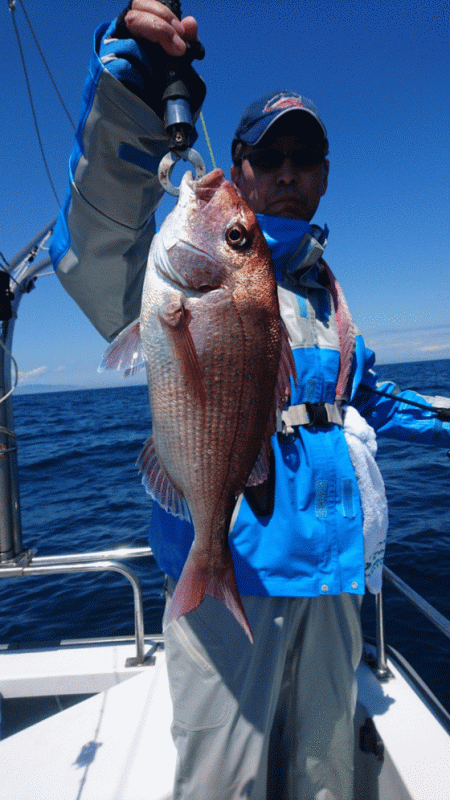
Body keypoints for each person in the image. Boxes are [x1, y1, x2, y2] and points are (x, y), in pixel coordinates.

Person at [50, 3, 450, 799]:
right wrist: (129, 89)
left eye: (306, 156)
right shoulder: (176, 268)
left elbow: (371, 397)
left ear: (326, 173)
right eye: (270, 157)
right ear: (239, 164)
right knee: (223, 785)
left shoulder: (328, 298)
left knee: (328, 779)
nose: (288, 172)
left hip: (335, 581)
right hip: (234, 564)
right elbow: (99, 236)